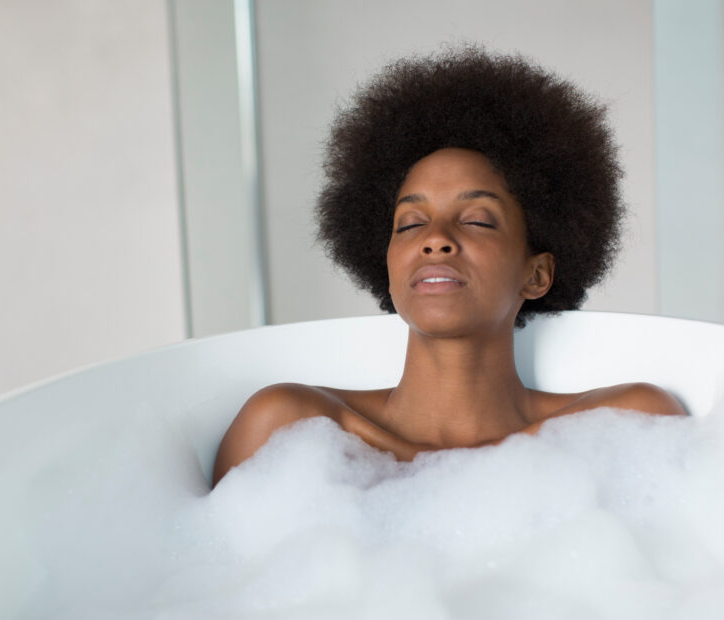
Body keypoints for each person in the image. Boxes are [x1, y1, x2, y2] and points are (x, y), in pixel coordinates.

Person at [212, 47, 685, 486]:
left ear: (536, 274)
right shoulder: (288, 430)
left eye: (478, 220)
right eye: (410, 224)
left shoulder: (629, 428)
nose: (435, 240)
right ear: (388, 264)